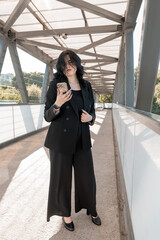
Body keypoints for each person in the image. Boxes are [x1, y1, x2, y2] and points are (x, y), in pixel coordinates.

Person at [44, 49, 101, 231]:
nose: (68, 67)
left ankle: (91, 208)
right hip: (60, 141)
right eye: (64, 63)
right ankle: (65, 215)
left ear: (77, 63)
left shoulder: (86, 86)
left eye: (71, 62)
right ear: (60, 66)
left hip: (82, 139)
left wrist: (90, 119)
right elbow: (47, 115)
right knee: (61, 179)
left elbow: (93, 111)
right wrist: (57, 104)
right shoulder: (56, 85)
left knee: (87, 177)